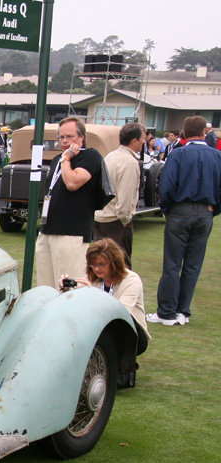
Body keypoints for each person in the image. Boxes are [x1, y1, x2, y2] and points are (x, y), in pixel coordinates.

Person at [147, 115, 221, 326]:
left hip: (180, 210)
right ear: (204, 132)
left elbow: (166, 186)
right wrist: (213, 209)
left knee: (172, 263)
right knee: (192, 265)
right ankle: (182, 311)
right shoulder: (216, 156)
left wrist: (167, 209)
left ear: (185, 132)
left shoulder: (178, 154)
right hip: (205, 211)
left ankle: (167, 312)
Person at [65, 239, 149, 387]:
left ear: (114, 262)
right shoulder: (94, 279)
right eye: (93, 265)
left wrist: (92, 293)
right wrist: (68, 291)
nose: (97, 269)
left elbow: (119, 314)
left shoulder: (131, 280)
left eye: (102, 265)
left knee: (118, 323)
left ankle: (118, 371)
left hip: (132, 334)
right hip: (102, 329)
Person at [35, 117, 105, 289]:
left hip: (72, 231)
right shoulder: (57, 159)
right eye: (61, 137)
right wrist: (64, 158)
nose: (65, 141)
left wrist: (67, 160)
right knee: (46, 286)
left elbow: (73, 183)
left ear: (81, 137)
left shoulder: (90, 156)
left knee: (68, 285)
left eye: (70, 137)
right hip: (48, 227)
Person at [94, 122, 145, 267]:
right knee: (120, 266)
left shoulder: (110, 156)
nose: (143, 142)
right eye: (142, 138)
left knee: (101, 264)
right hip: (115, 221)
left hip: (100, 218)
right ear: (134, 140)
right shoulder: (129, 162)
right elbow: (126, 196)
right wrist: (125, 219)